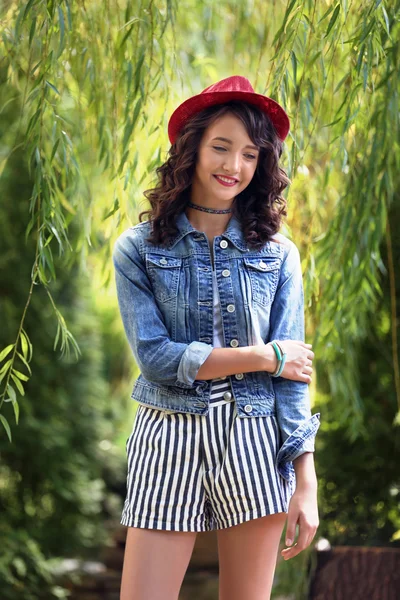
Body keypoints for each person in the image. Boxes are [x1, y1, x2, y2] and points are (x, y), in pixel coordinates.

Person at [113, 75, 321, 600]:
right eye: (221, 147)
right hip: (167, 435)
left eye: (250, 154)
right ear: (192, 149)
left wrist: (306, 481)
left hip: (255, 439)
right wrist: (264, 356)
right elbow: (158, 358)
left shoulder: (279, 254)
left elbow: (293, 376)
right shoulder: (138, 249)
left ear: (263, 165)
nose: (234, 166)